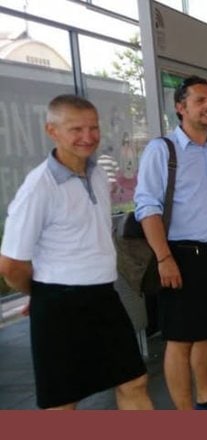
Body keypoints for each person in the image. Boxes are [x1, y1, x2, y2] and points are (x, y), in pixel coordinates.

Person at [0, 94, 153, 410]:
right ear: (52, 130)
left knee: (134, 380)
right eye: (76, 129)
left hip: (104, 297)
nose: (88, 137)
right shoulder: (38, 187)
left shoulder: (97, 173)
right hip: (59, 305)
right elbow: (11, 264)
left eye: (93, 128)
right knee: (63, 401)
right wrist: (41, 293)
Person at [134, 76, 207, 410]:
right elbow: (147, 207)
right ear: (180, 107)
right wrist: (163, 257)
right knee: (180, 339)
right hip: (178, 255)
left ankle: (206, 399)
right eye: (200, 100)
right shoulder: (162, 150)